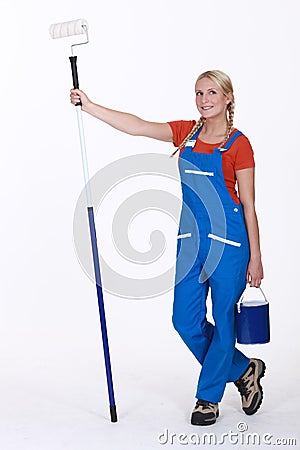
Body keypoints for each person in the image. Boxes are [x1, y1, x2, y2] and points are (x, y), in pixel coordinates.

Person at [70, 69, 266, 426]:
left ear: (227, 98)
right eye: (198, 93)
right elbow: (138, 125)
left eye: (211, 93)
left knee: (224, 324)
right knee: (184, 320)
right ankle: (243, 369)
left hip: (232, 247)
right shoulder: (186, 133)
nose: (204, 100)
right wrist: (91, 107)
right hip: (190, 243)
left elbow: (249, 204)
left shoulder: (239, 144)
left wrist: (256, 256)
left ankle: (208, 398)